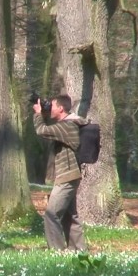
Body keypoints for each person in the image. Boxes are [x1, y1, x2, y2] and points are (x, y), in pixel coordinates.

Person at [33, 94, 87, 251]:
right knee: (70, 216)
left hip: (67, 176)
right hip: (70, 174)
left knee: (51, 214)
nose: (51, 108)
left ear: (61, 108)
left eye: (53, 106)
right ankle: (78, 250)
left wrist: (38, 114)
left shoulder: (67, 126)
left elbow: (42, 130)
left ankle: (57, 251)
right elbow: (50, 130)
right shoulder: (68, 125)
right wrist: (44, 112)